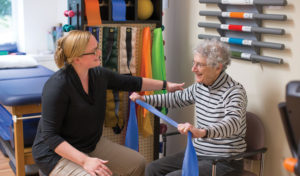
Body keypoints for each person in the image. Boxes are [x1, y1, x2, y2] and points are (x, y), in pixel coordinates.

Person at [32, 30, 184, 176]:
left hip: (90, 144)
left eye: (97, 47)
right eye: (93, 51)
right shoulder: (57, 86)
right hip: (55, 154)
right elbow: (50, 136)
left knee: (138, 164)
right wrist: (85, 161)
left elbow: (131, 82)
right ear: (77, 58)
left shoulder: (98, 75)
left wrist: (166, 85)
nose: (99, 53)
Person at [130, 39, 248, 176]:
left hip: (224, 162)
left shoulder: (234, 91)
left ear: (218, 67)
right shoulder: (200, 87)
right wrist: (144, 99)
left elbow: (232, 123)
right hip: (198, 154)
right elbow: (176, 98)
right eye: (194, 63)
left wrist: (203, 132)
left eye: (200, 65)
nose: (193, 69)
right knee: (152, 168)